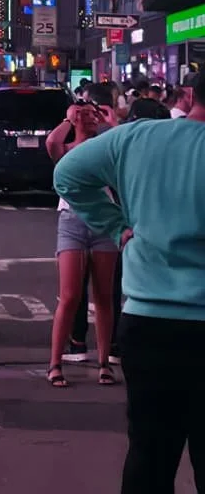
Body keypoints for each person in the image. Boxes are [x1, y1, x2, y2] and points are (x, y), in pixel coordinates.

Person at [54, 71, 205, 492]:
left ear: (189, 95)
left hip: (148, 320)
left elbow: (67, 173)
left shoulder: (138, 138)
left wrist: (115, 224)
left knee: (150, 454)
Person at [44, 94, 120, 388]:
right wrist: (68, 118)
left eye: (92, 115)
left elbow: (124, 149)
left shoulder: (104, 147)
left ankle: (103, 363)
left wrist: (110, 122)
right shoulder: (67, 149)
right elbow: (51, 144)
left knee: (103, 295)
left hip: (103, 223)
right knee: (71, 295)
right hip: (72, 222)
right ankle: (55, 363)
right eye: (83, 114)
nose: (88, 118)